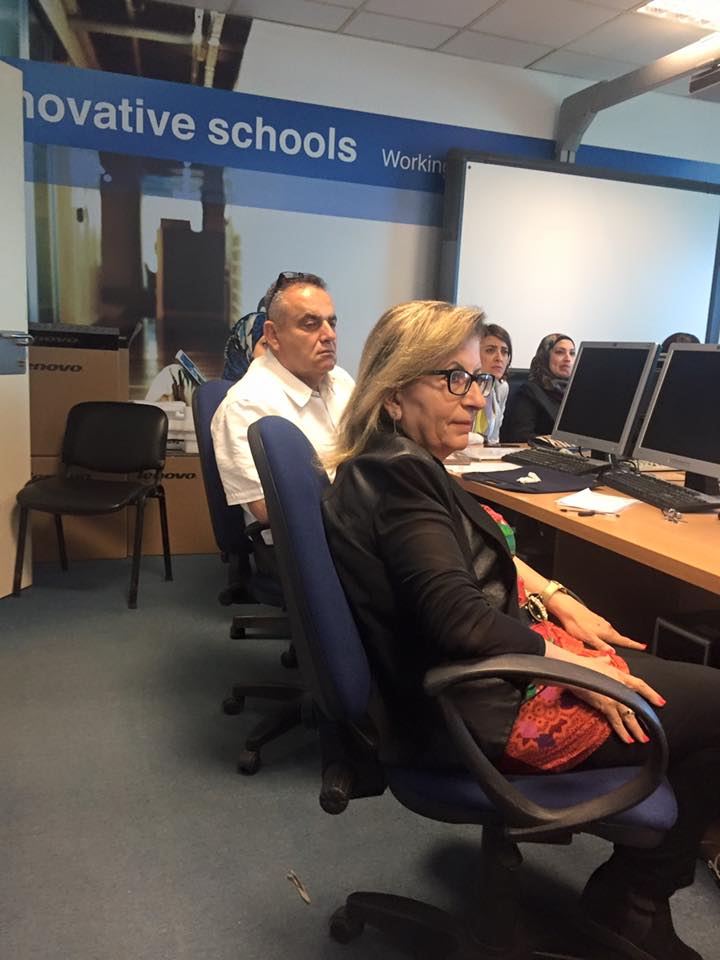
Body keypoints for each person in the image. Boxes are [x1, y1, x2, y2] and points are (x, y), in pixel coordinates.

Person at [322, 300, 720, 960]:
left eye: (478, 379)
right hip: (482, 710)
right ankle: (635, 900)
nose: (477, 399)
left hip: (454, 690)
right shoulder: (402, 478)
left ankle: (633, 889)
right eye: (454, 379)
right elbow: (457, 616)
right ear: (393, 394)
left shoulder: (386, 463)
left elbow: (458, 560)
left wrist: (551, 593)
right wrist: (575, 667)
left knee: (680, 685)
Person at [212, 271, 355, 531]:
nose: (329, 335)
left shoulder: (340, 380)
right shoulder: (246, 405)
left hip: (357, 521)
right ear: (273, 335)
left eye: (331, 323)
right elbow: (266, 508)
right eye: (311, 324)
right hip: (311, 536)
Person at [502, 332, 575, 442]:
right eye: (560, 352)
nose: (568, 358)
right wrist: (552, 442)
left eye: (572, 353)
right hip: (545, 451)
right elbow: (520, 435)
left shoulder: (577, 392)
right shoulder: (530, 391)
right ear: (545, 356)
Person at [472, 322, 512, 444]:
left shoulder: (502, 387)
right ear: (474, 353)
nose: (499, 358)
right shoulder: (461, 385)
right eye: (490, 350)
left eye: (504, 352)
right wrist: (481, 440)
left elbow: (494, 438)